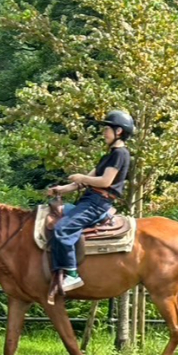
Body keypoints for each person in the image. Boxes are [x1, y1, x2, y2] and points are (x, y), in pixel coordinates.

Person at [47, 110, 134, 292]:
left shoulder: (120, 154)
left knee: (63, 229)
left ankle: (72, 274)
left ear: (118, 131)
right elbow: (85, 180)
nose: (104, 133)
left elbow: (105, 181)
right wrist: (61, 189)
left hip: (97, 203)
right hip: (90, 199)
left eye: (107, 129)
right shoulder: (108, 156)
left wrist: (81, 177)